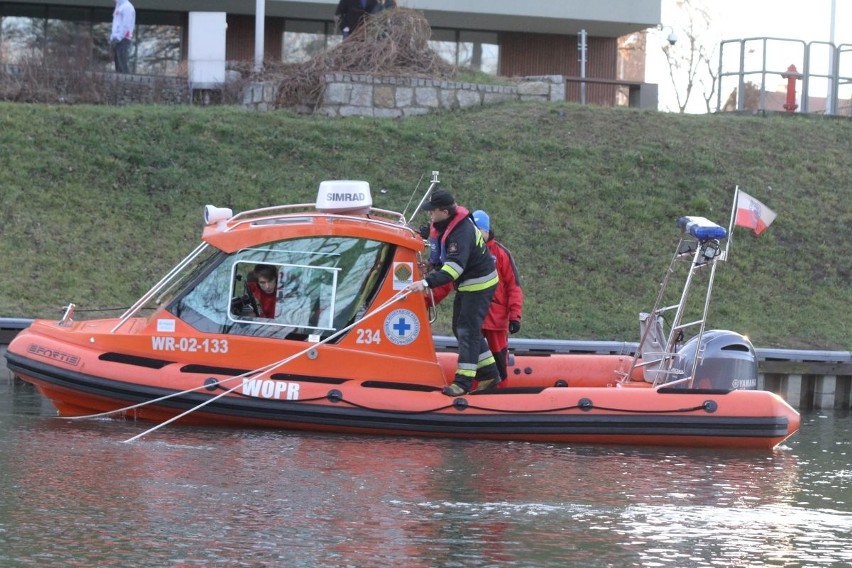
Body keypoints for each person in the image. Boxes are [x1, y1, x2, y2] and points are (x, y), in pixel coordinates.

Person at [408, 189, 500, 397]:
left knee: (467, 330)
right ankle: (488, 373)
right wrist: (432, 265)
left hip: (479, 284)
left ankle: (463, 383)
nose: (430, 214)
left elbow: (454, 269)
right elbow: (443, 253)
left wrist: (425, 282)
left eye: (433, 211)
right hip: (469, 283)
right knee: (462, 328)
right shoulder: (447, 225)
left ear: (445, 211)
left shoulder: (461, 233)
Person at [428, 210, 524, 385]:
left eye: (481, 231)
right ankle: (474, 396)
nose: (477, 234)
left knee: (498, 361)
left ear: (487, 231)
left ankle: (499, 397)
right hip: (474, 315)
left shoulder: (501, 254)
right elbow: (448, 280)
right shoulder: (465, 250)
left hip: (495, 320)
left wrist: (515, 315)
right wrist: (426, 300)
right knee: (472, 356)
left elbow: (513, 287)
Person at [110, 0, 136, 73]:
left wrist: (118, 37)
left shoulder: (127, 7)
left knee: (123, 65)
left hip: (123, 39)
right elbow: (116, 24)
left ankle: (126, 82)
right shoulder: (119, 7)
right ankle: (119, 82)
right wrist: (113, 37)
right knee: (118, 66)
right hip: (117, 38)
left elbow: (126, 25)